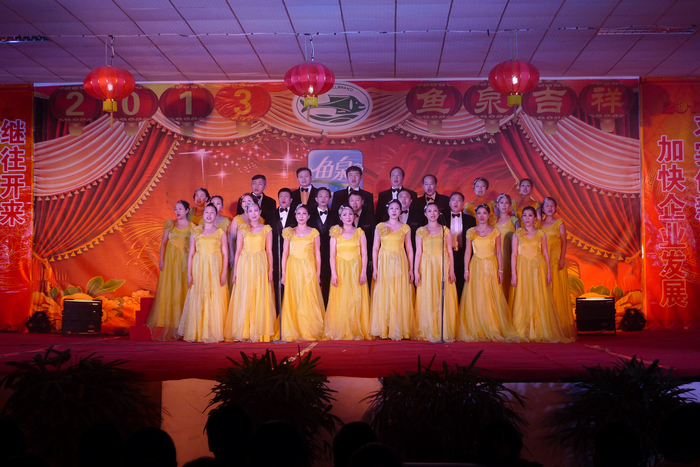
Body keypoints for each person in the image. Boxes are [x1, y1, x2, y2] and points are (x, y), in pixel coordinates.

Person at [509, 207, 572, 343]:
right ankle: (524, 328)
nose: (527, 218)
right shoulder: (517, 234)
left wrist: (548, 272)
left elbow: (545, 254)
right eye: (524, 215)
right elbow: (514, 254)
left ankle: (538, 328)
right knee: (523, 295)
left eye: (530, 215)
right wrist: (513, 273)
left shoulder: (540, 234)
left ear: (534, 217)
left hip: (537, 268)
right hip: (523, 267)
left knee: (538, 295)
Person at [458, 204, 519, 343]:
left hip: (491, 265)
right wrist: (466, 269)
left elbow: (499, 252)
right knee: (476, 295)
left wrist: (500, 270)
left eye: (484, 213)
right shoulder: (471, 231)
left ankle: (491, 326)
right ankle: (477, 327)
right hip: (476, 265)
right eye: (479, 213)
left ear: (488, 215)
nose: (481, 216)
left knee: (490, 294)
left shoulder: (495, 231)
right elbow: (467, 252)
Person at [225, 202, 278, 342]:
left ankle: (259, 330)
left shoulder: (266, 229)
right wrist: (235, 272)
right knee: (245, 294)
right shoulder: (242, 229)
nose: (253, 213)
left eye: (256, 210)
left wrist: (271, 269)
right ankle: (244, 330)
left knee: (259, 293)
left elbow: (269, 251)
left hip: (260, 264)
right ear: (247, 213)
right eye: (250, 211)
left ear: (260, 211)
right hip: (245, 264)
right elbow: (238, 251)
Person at [177, 203, 229, 343]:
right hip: (199, 269)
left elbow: (225, 254)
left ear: (216, 215)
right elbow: (191, 254)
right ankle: (198, 332)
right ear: (203, 214)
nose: (209, 215)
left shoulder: (220, 232)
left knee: (213, 297)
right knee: (198, 296)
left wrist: (224, 273)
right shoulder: (196, 232)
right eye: (206, 212)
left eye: (212, 212)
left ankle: (212, 332)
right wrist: (189, 274)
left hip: (214, 269)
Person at [146, 200, 193, 341]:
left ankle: (183, 322)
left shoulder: (193, 227)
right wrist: (161, 260)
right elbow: (164, 243)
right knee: (171, 286)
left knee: (183, 287)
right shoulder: (170, 224)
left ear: (187, 210)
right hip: (171, 260)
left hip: (185, 260)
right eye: (175, 209)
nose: (177, 211)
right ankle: (169, 321)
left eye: (180, 209)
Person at [324, 205, 371, 340]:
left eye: (350, 214)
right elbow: (332, 255)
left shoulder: (360, 232)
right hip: (341, 269)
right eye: (344, 214)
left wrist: (363, 271)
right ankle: (341, 328)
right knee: (341, 299)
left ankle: (356, 329)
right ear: (340, 217)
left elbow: (364, 253)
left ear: (354, 216)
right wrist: (334, 273)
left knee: (355, 299)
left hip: (356, 269)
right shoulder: (336, 233)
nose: (348, 217)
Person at [370, 199, 415, 340]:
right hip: (384, 262)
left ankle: (401, 329)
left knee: (399, 292)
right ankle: (384, 329)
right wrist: (375, 268)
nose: (394, 211)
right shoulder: (380, 226)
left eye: (397, 208)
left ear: (401, 211)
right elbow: (375, 248)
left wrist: (411, 269)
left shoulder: (405, 227)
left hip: (400, 262)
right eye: (392, 208)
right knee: (385, 292)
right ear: (388, 210)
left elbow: (409, 248)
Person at [414, 203, 459, 342]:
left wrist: (452, 269)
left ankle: (442, 329)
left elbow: (450, 251)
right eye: (429, 211)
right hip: (427, 266)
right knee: (428, 295)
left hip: (442, 265)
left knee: (442, 295)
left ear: (439, 213)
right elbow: (418, 252)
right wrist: (416, 271)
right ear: (425, 214)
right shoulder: (421, 231)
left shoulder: (445, 230)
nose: (432, 213)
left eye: (435, 211)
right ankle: (429, 328)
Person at [280, 204, 325, 341]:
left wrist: (318, 273)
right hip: (293, 268)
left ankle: (309, 329)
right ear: (295, 215)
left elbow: (318, 254)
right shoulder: (289, 232)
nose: (301, 216)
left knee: (309, 296)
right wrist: (283, 273)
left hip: (308, 268)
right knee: (294, 297)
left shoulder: (314, 232)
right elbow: (285, 254)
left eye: (304, 213)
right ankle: (294, 329)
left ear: (308, 216)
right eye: (298, 213)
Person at [539, 197, 576, 338]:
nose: (549, 207)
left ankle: (559, 324)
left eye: (552, 205)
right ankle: (544, 323)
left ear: (555, 208)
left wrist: (561, 259)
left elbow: (564, 242)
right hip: (542, 259)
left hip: (555, 259)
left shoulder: (559, 223)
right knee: (544, 288)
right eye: (547, 205)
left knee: (556, 288)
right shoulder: (538, 224)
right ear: (542, 209)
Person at [265, 188, 297, 314]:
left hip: (293, 254)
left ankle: (291, 313)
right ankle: (279, 313)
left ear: (291, 200)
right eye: (281, 196)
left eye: (286, 196)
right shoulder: (270, 214)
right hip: (275, 253)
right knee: (277, 283)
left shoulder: (297, 214)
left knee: (292, 283)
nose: (283, 199)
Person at [447, 192, 477, 300]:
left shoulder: (470, 220)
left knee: (462, 282)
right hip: (447, 254)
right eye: (453, 200)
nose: (456, 202)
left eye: (459, 200)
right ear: (449, 203)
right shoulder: (442, 218)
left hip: (464, 254)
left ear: (463, 203)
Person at [308, 187, 333, 306]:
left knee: (328, 282)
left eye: (326, 196)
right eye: (320, 196)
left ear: (330, 199)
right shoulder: (309, 215)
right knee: (313, 282)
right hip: (312, 254)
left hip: (330, 254)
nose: (323, 198)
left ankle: (327, 308)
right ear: (316, 198)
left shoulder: (335, 215)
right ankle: (314, 308)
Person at [494, 193, 520, 300]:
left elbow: (519, 239)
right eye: (501, 203)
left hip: (509, 256)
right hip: (495, 255)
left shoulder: (514, 220)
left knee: (507, 280)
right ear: (498, 205)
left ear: (510, 205)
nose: (504, 205)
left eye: (506, 203)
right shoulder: (493, 221)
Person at [348, 190, 376, 287]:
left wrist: (372, 258)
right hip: (349, 257)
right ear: (349, 202)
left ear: (362, 201)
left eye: (357, 200)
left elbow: (374, 238)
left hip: (366, 257)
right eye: (352, 200)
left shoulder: (371, 217)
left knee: (365, 284)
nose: (354, 203)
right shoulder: (344, 218)